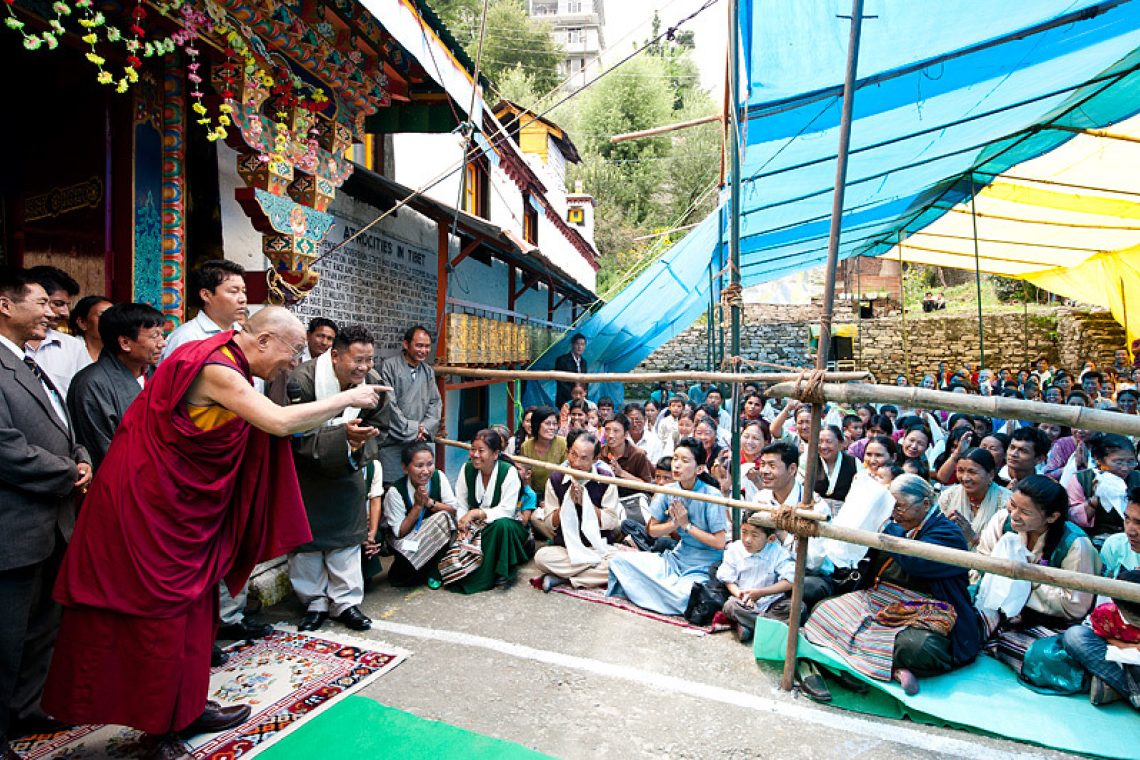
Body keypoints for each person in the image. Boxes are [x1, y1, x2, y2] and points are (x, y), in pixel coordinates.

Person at [42, 307, 383, 746]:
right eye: (294, 350)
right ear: (264, 341)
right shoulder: (214, 367)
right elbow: (277, 421)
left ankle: (188, 706)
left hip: (184, 510)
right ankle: (160, 726)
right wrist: (348, 398)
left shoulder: (229, 361)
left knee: (196, 616)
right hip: (151, 511)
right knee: (160, 623)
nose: (294, 362)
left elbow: (265, 428)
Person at [0, 268, 92, 757]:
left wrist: (80, 455)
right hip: (14, 524)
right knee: (5, 636)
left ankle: (27, 709)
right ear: (5, 305)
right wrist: (66, 470)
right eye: (40, 303)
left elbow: (61, 424)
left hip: (52, 522)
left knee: (41, 628)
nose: (52, 313)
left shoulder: (27, 361)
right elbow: (5, 447)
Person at [800, 475, 982, 700]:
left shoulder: (948, 534)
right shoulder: (897, 526)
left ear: (926, 504)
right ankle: (890, 667)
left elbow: (914, 561)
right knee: (824, 610)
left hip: (926, 611)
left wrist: (887, 528)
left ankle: (873, 660)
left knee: (919, 647)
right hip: (880, 600)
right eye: (891, 507)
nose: (894, 513)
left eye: (899, 507)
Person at [286, 325, 389, 633]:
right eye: (357, 360)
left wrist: (358, 443)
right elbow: (295, 432)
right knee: (307, 542)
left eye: (369, 360)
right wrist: (342, 436)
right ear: (335, 356)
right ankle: (314, 602)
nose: (364, 368)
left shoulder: (373, 384)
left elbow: (380, 429)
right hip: (306, 471)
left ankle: (345, 602)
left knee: (346, 540)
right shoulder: (302, 380)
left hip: (347, 468)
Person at [976, 476, 1099, 673]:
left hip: (1049, 621)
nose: (1014, 515)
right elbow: (982, 566)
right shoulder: (1002, 520)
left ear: (1052, 517)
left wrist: (1023, 584)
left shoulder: (1076, 544)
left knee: (1045, 657)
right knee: (965, 625)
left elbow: (1074, 606)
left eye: (1025, 512)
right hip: (999, 609)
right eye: (1013, 504)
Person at [607, 438, 727, 615]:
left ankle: (649, 593)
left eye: (684, 461)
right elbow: (651, 531)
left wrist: (686, 526)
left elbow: (719, 543)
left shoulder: (712, 495)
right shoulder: (669, 490)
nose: (676, 465)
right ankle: (660, 593)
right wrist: (673, 524)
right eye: (675, 458)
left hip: (703, 566)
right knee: (618, 561)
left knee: (684, 596)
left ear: (700, 469)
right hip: (675, 558)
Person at [66, 303, 166, 469]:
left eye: (162, 335)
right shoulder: (92, 383)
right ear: (125, 343)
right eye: (154, 336)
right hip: (122, 474)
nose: (162, 343)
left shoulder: (155, 374)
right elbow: (104, 449)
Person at [747, 441, 833, 608]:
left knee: (808, 588)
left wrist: (781, 531)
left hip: (805, 572)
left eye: (772, 466)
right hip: (770, 566)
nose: (764, 471)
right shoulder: (761, 498)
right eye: (762, 464)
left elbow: (814, 562)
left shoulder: (814, 506)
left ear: (792, 469)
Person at [535, 433, 622, 592]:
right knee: (541, 558)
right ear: (568, 452)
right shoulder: (556, 478)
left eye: (584, 458)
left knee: (620, 562)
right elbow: (549, 524)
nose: (576, 463)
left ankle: (564, 578)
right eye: (573, 455)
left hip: (597, 548)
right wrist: (566, 503)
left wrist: (586, 503)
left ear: (595, 459)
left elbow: (611, 522)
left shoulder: (606, 479)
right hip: (566, 549)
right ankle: (589, 575)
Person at [451, 429, 530, 593]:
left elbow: (507, 511)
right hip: (475, 525)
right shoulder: (467, 469)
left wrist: (476, 513)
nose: (475, 455)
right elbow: (461, 503)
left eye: (481, 451)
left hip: (507, 527)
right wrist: (462, 523)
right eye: (473, 449)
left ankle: (499, 572)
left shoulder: (508, 472)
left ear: (495, 454)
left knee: (501, 526)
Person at [382, 442, 460, 588]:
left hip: (437, 539)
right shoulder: (396, 491)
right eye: (419, 466)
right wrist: (417, 506)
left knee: (443, 517)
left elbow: (453, 510)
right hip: (409, 540)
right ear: (405, 468)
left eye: (430, 464)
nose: (426, 471)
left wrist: (429, 503)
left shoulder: (438, 477)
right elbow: (399, 532)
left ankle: (434, 571)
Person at [1063, 569, 1140, 709]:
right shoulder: (1106, 613)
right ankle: (1131, 692)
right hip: (1117, 658)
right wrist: (1129, 647)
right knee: (1075, 636)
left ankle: (1119, 691)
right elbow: (1101, 637)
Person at [718, 513, 798, 643]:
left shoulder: (778, 552)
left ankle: (748, 624)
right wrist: (741, 595)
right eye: (744, 532)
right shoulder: (735, 549)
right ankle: (769, 629)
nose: (747, 539)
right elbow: (727, 578)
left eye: (754, 535)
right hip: (743, 602)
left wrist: (761, 593)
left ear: (770, 539)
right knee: (730, 606)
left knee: (797, 607)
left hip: (771, 603)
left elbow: (791, 581)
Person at [377, 325, 442, 486]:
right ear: (406, 344)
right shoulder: (389, 366)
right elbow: (389, 404)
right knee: (392, 489)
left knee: (419, 488)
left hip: (419, 442)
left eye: (427, 346)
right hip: (394, 441)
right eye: (419, 345)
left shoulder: (427, 371)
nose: (424, 350)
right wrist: (413, 429)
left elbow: (435, 402)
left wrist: (425, 428)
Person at [22, 266, 91, 398]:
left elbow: (86, 394)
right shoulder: (8, 345)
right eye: (58, 304)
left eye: (67, 305)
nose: (65, 313)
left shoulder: (73, 347)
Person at [160, 259, 248, 360]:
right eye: (233, 291)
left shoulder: (242, 333)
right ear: (206, 295)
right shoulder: (186, 338)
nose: (243, 299)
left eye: (244, 291)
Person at [1066, 433, 1139, 547]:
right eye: (1118, 462)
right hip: (1092, 541)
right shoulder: (1082, 479)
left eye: (1130, 462)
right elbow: (1072, 518)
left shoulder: (1137, 478)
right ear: (1099, 460)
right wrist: (1094, 501)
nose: (1125, 468)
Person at [937, 448, 1010, 548]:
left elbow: (1006, 547)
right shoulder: (948, 496)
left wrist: (973, 537)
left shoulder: (1006, 502)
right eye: (960, 471)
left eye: (972, 472)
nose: (965, 478)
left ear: (991, 475)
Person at [520, 406, 567, 507]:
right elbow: (527, 478)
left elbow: (565, 476)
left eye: (554, 424)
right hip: (534, 496)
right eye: (547, 423)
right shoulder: (526, 446)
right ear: (537, 424)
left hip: (558, 495)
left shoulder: (563, 444)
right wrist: (535, 500)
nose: (552, 427)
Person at [601, 413, 654, 496]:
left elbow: (648, 486)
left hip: (632, 498)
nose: (610, 435)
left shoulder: (638, 454)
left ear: (626, 434)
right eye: (607, 430)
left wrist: (621, 473)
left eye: (616, 431)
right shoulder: (599, 452)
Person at [812, 425, 858, 503]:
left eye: (829, 442)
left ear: (841, 443)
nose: (823, 446)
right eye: (820, 441)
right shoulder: (808, 461)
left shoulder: (854, 463)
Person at [69, 294, 113, 363]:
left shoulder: (120, 352)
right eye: (104, 316)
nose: (111, 321)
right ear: (82, 323)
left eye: (113, 316)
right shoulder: (69, 350)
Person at [554, 333, 588, 409]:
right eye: (577, 344)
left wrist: (583, 396)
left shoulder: (584, 362)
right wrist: (574, 395)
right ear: (572, 345)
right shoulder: (562, 360)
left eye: (582, 344)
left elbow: (585, 382)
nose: (580, 347)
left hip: (581, 399)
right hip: (565, 399)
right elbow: (561, 382)